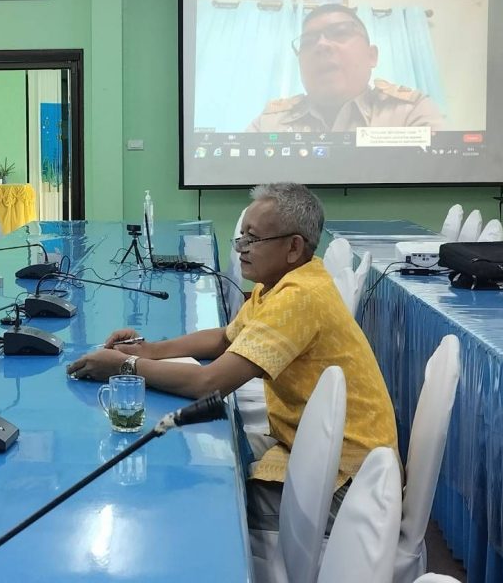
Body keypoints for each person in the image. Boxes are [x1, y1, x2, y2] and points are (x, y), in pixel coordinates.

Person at [67, 183, 398, 530]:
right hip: (311, 448)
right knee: (201, 465)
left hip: (349, 484)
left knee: (208, 506)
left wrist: (125, 366)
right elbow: (224, 338)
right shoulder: (281, 283)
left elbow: (208, 384)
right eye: (242, 237)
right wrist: (149, 350)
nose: (241, 247)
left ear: (293, 247)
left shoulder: (299, 297)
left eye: (253, 239)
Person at [247, 4, 445, 132]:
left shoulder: (409, 112)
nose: (321, 45)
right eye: (308, 42)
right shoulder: (269, 124)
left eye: (340, 33)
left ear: (371, 56)